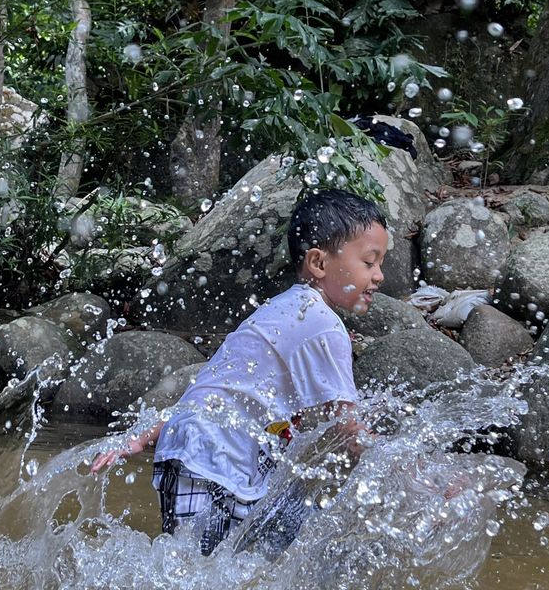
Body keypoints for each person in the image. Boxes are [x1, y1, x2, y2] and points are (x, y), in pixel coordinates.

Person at [91, 189, 388, 555]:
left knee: (245, 553)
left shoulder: (284, 310)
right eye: (370, 262)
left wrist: (148, 435)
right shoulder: (323, 327)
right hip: (210, 460)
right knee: (194, 576)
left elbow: (220, 386)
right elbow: (350, 435)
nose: (379, 276)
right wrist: (418, 479)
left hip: (195, 451)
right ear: (319, 263)